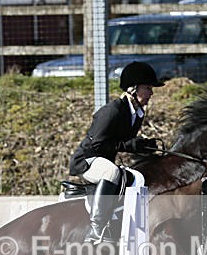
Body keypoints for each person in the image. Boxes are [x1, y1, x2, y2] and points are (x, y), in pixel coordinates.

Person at [69, 61, 164, 244]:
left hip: (104, 158)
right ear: (133, 89)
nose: (151, 93)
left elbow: (123, 143)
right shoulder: (112, 111)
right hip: (87, 160)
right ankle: (96, 229)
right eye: (148, 88)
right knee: (112, 173)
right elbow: (96, 145)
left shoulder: (136, 114)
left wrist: (145, 147)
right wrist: (130, 145)